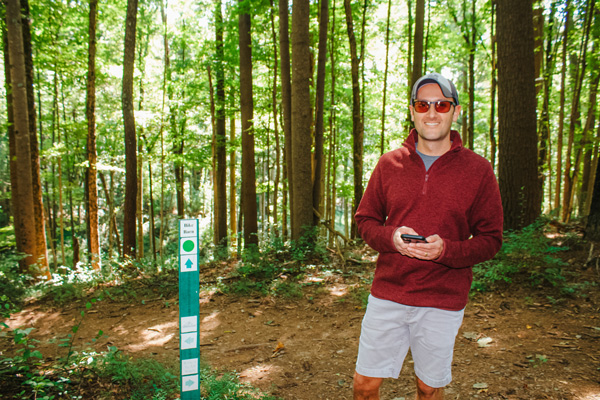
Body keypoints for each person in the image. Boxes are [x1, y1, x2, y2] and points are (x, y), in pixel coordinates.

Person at [352, 72, 503, 400]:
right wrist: (391, 238)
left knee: (429, 388)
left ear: (455, 111)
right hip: (388, 294)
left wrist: (445, 251)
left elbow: (491, 239)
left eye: (441, 104)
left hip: (443, 300)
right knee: (364, 386)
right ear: (412, 111)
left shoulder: (478, 170)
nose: (432, 112)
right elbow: (365, 221)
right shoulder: (389, 164)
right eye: (423, 104)